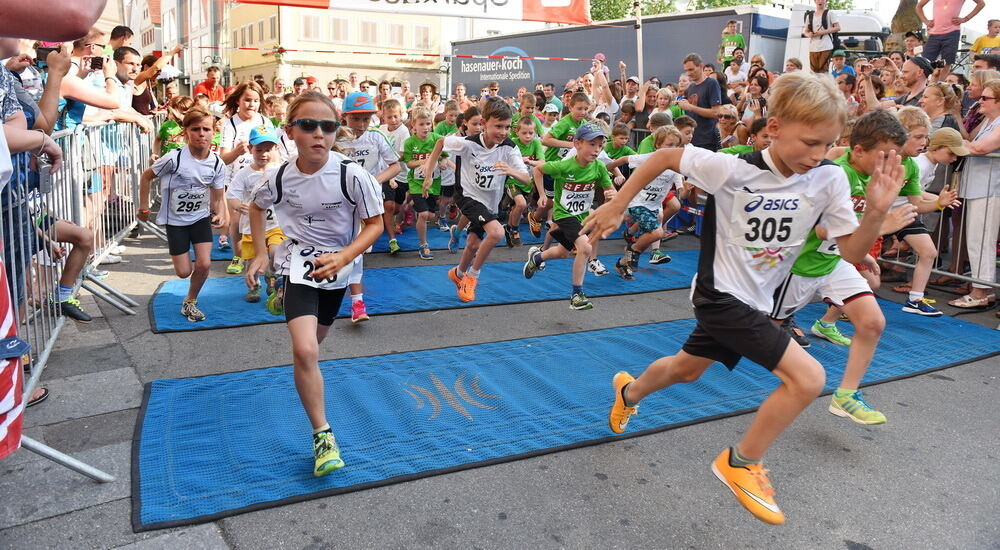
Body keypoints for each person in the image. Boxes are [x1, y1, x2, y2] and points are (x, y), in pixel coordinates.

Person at [584, 72, 908, 525]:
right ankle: (741, 462)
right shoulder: (734, 167)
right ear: (774, 127)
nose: (817, 156)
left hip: (758, 299)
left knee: (688, 368)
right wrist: (619, 203)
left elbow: (851, 253)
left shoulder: (829, 180)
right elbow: (662, 155)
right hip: (719, 294)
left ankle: (629, 391)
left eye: (828, 144)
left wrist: (875, 213)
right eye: (810, 142)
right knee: (809, 378)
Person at [243, 92, 384, 477]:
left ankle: (285, 297)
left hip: (337, 266)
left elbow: (376, 225)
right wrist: (259, 254)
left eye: (328, 126)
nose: (319, 134)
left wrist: (344, 256)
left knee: (316, 342)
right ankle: (323, 435)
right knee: (305, 351)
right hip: (296, 263)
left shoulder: (350, 175)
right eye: (308, 125)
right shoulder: (279, 176)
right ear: (291, 132)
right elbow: (257, 207)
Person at [422, 98, 530, 302]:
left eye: (507, 127)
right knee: (497, 232)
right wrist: (429, 174)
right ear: (483, 124)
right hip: (466, 196)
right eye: (498, 126)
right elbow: (440, 142)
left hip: (491, 201)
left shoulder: (509, 147)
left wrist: (511, 170)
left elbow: (527, 178)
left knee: (472, 244)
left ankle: (459, 273)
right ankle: (472, 276)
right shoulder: (468, 143)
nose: (503, 132)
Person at [137, 108, 228, 322]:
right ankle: (187, 284)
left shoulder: (216, 163)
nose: (201, 134)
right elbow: (146, 177)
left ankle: (190, 301)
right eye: (195, 129)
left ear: (213, 132)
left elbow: (217, 194)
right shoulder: (173, 158)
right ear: (186, 132)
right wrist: (143, 207)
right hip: (175, 221)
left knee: (204, 264)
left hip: (199, 218)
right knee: (183, 272)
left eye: (206, 129)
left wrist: (220, 213)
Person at [522, 123, 614, 310]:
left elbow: (610, 189)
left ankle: (537, 259)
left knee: (563, 252)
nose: (597, 150)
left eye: (600, 145)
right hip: (563, 214)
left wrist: (613, 195)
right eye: (592, 144)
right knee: (585, 248)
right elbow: (538, 170)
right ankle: (577, 294)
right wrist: (541, 194)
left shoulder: (599, 168)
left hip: (581, 215)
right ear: (577, 144)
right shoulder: (564, 166)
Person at [888, 117, 966, 315]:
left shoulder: (928, 165)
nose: (954, 158)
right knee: (862, 262)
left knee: (929, 252)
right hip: (888, 213)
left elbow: (917, 193)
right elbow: (917, 201)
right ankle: (843, 303)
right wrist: (939, 202)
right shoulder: (919, 164)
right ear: (938, 147)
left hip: (904, 212)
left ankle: (915, 299)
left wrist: (940, 199)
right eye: (951, 153)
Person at [338, 91, 400, 321]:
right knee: (342, 247)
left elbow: (396, 166)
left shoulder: (376, 136)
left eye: (367, 118)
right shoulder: (335, 136)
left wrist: (373, 181)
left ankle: (357, 302)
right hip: (339, 200)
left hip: (366, 201)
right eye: (356, 118)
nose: (362, 124)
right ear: (345, 116)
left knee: (356, 251)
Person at [605, 126, 684, 280]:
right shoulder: (649, 158)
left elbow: (682, 190)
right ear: (658, 145)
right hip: (637, 202)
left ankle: (623, 262)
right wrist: (605, 169)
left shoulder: (676, 166)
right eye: (669, 145)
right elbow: (623, 159)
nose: (672, 149)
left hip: (653, 206)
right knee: (658, 232)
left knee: (651, 233)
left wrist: (685, 189)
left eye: (676, 146)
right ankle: (633, 249)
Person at [949, 79, 1000, 308]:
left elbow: (980, 148)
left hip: (990, 189)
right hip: (978, 187)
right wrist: (964, 144)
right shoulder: (990, 122)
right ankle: (981, 289)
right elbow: (970, 143)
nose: (980, 101)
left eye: (985, 98)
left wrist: (959, 144)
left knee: (982, 240)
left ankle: (982, 291)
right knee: (975, 238)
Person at [219, 81, 272, 271]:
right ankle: (237, 255)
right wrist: (237, 152)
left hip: (260, 175)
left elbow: (273, 151)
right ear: (239, 101)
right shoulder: (231, 123)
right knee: (237, 220)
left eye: (256, 100)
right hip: (236, 178)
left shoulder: (265, 121)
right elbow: (223, 159)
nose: (252, 104)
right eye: (247, 100)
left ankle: (261, 252)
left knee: (261, 214)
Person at [229, 125, 285, 305]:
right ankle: (253, 286)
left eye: (268, 149)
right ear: (250, 149)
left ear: (276, 148)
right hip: (251, 226)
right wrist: (239, 206)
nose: (263, 154)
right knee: (252, 259)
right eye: (259, 149)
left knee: (276, 252)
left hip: (276, 224)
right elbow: (231, 196)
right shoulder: (244, 174)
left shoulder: (281, 170)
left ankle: (271, 275)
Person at [533, 92, 590, 236]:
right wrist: (571, 145)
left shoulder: (584, 125)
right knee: (552, 201)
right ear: (570, 107)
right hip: (553, 167)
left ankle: (565, 235)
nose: (582, 112)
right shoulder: (565, 123)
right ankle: (535, 217)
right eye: (579, 108)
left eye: (585, 109)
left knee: (564, 201)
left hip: (568, 168)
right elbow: (546, 140)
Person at [403, 107, 446, 260]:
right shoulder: (409, 142)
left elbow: (445, 156)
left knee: (431, 215)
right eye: (421, 124)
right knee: (423, 214)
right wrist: (423, 161)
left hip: (434, 183)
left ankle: (412, 205)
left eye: (428, 124)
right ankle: (423, 245)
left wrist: (443, 162)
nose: (425, 127)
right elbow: (408, 163)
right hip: (416, 183)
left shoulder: (437, 139)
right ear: (414, 125)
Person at [917, 0, 986, 76]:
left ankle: (940, 84)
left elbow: (981, 3)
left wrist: (965, 18)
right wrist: (926, 21)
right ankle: (924, 84)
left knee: (947, 62)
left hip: (952, 32)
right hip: (934, 33)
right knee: (924, 61)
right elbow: (919, 6)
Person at [505, 116, 544, 246]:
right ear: (517, 132)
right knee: (521, 204)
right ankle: (515, 230)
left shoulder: (536, 143)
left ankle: (509, 228)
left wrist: (529, 161)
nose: (528, 136)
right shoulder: (512, 142)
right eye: (524, 133)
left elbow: (542, 162)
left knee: (517, 208)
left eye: (531, 133)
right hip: (513, 181)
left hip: (528, 183)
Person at [377, 98, 409, 255]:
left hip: (401, 175)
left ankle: (386, 218)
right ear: (383, 117)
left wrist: (388, 158)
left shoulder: (403, 131)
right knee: (388, 206)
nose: (393, 120)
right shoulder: (380, 129)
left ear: (401, 115)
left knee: (396, 207)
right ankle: (392, 239)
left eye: (396, 116)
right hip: (385, 173)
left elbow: (402, 155)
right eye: (389, 117)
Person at [677, 53, 722, 151]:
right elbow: (692, 109)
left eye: (691, 69)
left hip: (707, 140)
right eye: (686, 70)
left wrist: (690, 107)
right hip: (692, 140)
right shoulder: (692, 86)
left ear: (701, 66)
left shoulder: (711, 83)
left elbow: (716, 113)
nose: (688, 73)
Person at [804, 0, 840, 74]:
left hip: (826, 46)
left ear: (826, 1)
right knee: (813, 72)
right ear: (815, 1)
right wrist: (809, 34)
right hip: (813, 47)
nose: (820, 1)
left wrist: (822, 32)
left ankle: (823, 85)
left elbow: (838, 28)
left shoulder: (830, 13)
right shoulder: (809, 16)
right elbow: (805, 31)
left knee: (823, 71)